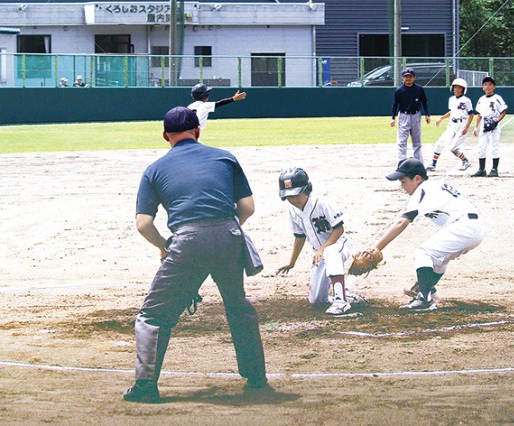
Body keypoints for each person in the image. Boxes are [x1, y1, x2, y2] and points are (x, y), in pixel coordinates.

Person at [124, 106, 267, 403]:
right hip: (230, 236)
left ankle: (145, 387)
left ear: (166, 136)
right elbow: (248, 208)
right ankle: (256, 376)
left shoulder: (154, 169)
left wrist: (165, 247)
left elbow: (143, 223)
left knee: (153, 315)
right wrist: (224, 229)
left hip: (188, 241)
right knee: (238, 306)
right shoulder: (225, 157)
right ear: (197, 132)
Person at [370, 158, 484, 312]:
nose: (401, 186)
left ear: (417, 179)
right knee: (438, 259)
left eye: (403, 181)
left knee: (424, 252)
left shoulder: (422, 189)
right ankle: (426, 289)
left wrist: (376, 249)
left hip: (464, 226)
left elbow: (401, 223)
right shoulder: (433, 186)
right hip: (474, 227)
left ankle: (424, 299)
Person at [275, 167, 355, 315]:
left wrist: (322, 249)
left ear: (307, 189)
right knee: (317, 300)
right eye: (289, 196)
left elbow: (339, 229)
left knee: (331, 252)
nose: (294, 199)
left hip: (339, 245)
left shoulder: (322, 203)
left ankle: (341, 302)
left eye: (297, 194)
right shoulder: (293, 211)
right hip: (320, 253)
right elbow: (299, 237)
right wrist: (292, 262)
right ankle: (347, 293)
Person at [426, 78, 474, 172]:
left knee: (453, 148)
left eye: (459, 87)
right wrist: (441, 118)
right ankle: (433, 164)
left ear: (463, 89)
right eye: (455, 87)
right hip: (452, 125)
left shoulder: (466, 100)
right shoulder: (451, 99)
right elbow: (452, 112)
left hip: (462, 124)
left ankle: (465, 161)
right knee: (439, 143)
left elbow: (471, 114)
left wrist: (467, 127)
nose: (456, 89)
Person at [390, 67, 431, 164]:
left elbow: (424, 102)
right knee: (402, 142)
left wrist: (427, 114)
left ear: (414, 77)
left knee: (417, 142)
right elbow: (395, 104)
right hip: (404, 116)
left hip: (416, 115)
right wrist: (393, 118)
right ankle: (401, 163)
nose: (408, 79)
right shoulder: (399, 90)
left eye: (410, 76)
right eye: (406, 77)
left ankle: (418, 163)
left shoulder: (419, 89)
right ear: (402, 78)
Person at [471, 76, 507, 177]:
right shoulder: (481, 99)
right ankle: (481, 169)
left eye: (490, 84)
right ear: (483, 87)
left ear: (494, 86)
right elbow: (479, 114)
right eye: (485, 84)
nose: (487, 86)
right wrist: (475, 127)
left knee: (494, 147)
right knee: (481, 147)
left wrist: (496, 121)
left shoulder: (497, 98)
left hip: (494, 124)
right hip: (484, 125)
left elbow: (503, 112)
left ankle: (494, 169)